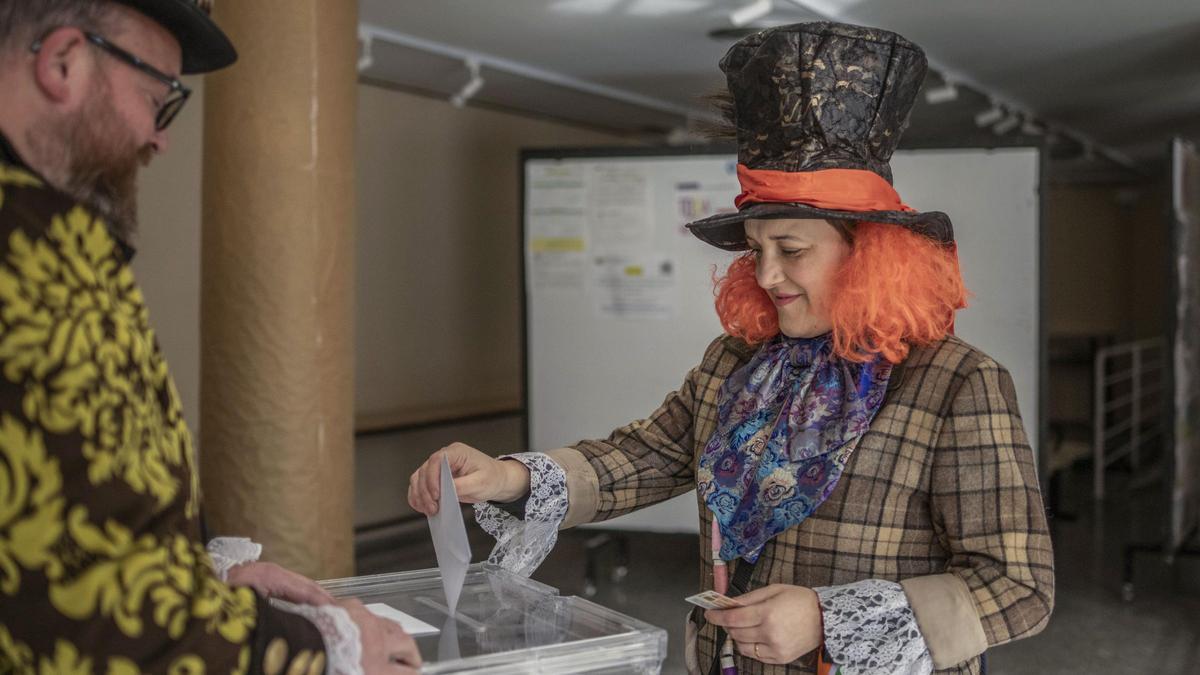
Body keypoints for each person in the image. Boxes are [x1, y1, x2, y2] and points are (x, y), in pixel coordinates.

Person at [409, 21, 1053, 675]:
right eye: (756, 250)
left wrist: (825, 618)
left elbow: (1018, 586)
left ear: (869, 253)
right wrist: (507, 476)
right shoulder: (738, 361)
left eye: (792, 250)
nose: (767, 275)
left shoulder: (956, 381)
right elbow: (648, 455)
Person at [0, 1, 419, 672]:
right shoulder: (27, 255)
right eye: (157, 101)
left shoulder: (55, 234)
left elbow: (67, 528)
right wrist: (331, 647)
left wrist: (206, 574)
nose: (159, 138)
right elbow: (100, 625)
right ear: (63, 62)